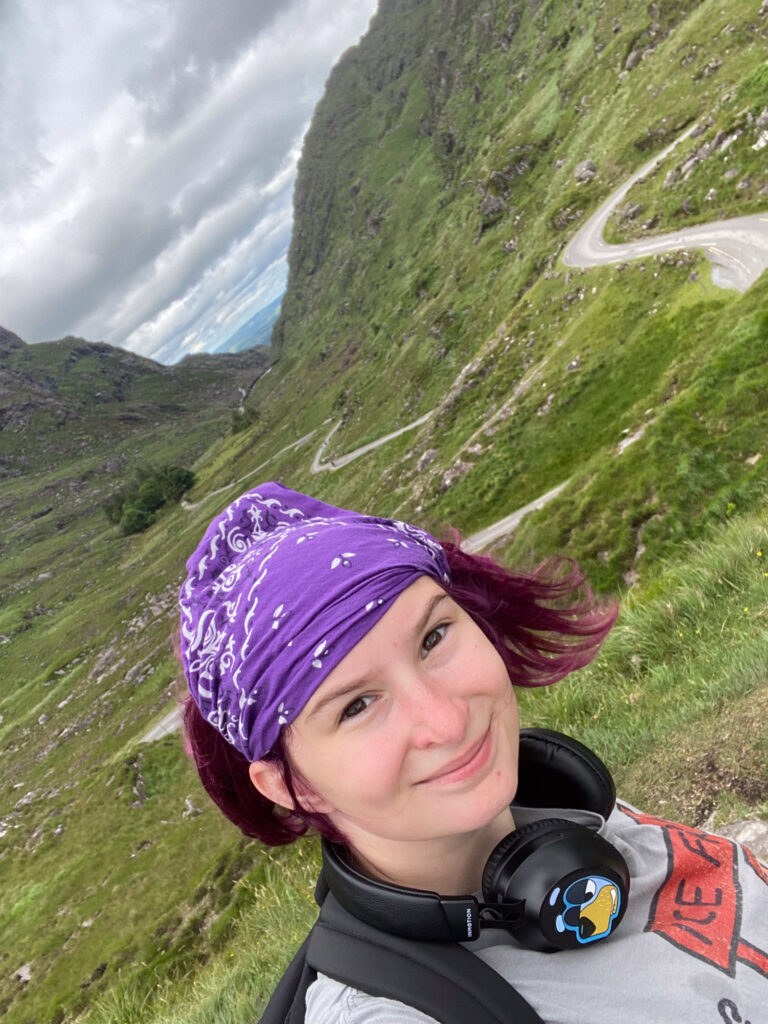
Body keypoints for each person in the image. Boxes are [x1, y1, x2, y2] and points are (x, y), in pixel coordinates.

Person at [179, 482, 768, 1024]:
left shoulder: (563, 809)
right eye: (356, 706)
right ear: (294, 787)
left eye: (433, 638)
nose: (447, 720)